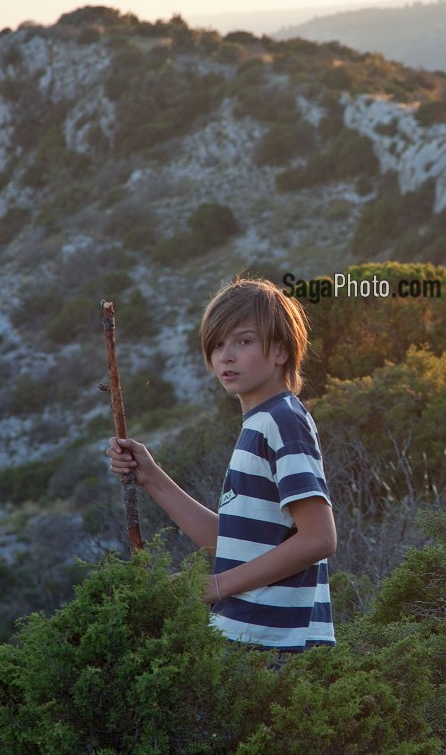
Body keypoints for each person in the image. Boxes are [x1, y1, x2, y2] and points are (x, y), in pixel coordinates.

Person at [106, 278, 336, 651]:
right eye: (216, 345)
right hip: (248, 638)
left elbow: (319, 538)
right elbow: (233, 541)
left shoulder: (282, 420)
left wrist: (216, 586)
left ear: (281, 351)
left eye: (243, 341)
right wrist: (151, 477)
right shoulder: (260, 423)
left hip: (276, 646)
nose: (225, 356)